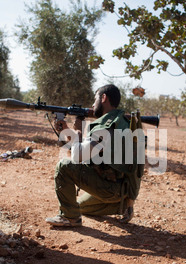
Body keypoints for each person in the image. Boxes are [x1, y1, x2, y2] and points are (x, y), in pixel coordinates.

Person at [45, 84, 142, 227]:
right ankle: (122, 207)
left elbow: (77, 157)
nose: (92, 104)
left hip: (110, 190)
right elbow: (86, 149)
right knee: (80, 206)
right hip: (121, 191)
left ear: (103, 98)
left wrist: (77, 132)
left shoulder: (107, 127)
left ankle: (70, 217)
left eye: (95, 99)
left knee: (64, 166)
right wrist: (66, 132)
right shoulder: (122, 123)